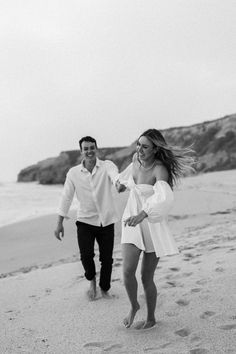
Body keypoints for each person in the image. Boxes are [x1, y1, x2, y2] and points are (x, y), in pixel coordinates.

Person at [116, 129, 194, 329]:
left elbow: (164, 199)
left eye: (145, 146)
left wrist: (143, 214)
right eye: (138, 144)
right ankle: (134, 306)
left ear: (155, 149)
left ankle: (151, 318)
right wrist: (122, 185)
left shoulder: (160, 170)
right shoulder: (135, 159)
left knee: (145, 277)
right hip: (130, 220)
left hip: (151, 224)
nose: (140, 149)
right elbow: (127, 177)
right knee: (127, 270)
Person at [54, 136, 121, 300]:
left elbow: (115, 177)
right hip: (85, 221)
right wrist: (59, 223)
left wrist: (119, 184)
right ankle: (92, 282)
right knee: (86, 256)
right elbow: (66, 197)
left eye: (92, 147)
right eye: (86, 148)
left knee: (107, 259)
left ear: (96, 148)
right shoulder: (73, 173)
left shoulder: (107, 166)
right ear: (81, 151)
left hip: (106, 220)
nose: (89, 151)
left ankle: (104, 289)